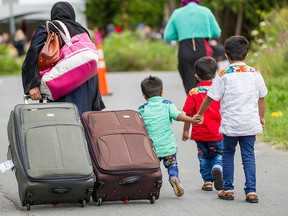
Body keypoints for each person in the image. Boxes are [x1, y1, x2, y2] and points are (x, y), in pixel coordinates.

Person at [194, 36, 268, 203]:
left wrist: (200, 113)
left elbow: (210, 98)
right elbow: (262, 97)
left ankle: (228, 189)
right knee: (248, 156)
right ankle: (251, 191)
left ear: (226, 56)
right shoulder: (254, 73)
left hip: (231, 125)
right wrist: (261, 117)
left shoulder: (223, 74)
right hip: (249, 123)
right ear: (246, 55)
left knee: (227, 154)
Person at [22, 1, 105, 115]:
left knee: (62, 124)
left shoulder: (49, 27)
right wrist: (96, 101)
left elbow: (33, 54)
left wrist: (32, 85)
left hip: (63, 86)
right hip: (86, 89)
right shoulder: (82, 31)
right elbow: (90, 63)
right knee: (83, 125)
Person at [138, 75, 200, 197]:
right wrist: (192, 120)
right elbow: (178, 116)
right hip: (168, 148)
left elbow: (136, 126)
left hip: (151, 149)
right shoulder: (167, 105)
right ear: (162, 92)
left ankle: (154, 186)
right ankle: (174, 177)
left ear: (144, 95)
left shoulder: (142, 109)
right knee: (172, 164)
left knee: (153, 169)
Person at [182, 57, 223, 192]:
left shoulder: (193, 92)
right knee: (218, 154)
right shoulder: (220, 91)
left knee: (203, 157)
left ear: (196, 76)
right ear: (215, 74)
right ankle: (217, 166)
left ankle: (207, 182)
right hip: (218, 133)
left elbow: (188, 114)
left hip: (200, 134)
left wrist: (186, 131)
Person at [163, 0, 221, 95]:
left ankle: (192, 105)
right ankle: (204, 106)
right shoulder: (205, 11)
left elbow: (167, 35)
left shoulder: (177, 13)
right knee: (205, 81)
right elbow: (217, 32)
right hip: (202, 48)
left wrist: (182, 34)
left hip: (184, 48)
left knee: (189, 83)